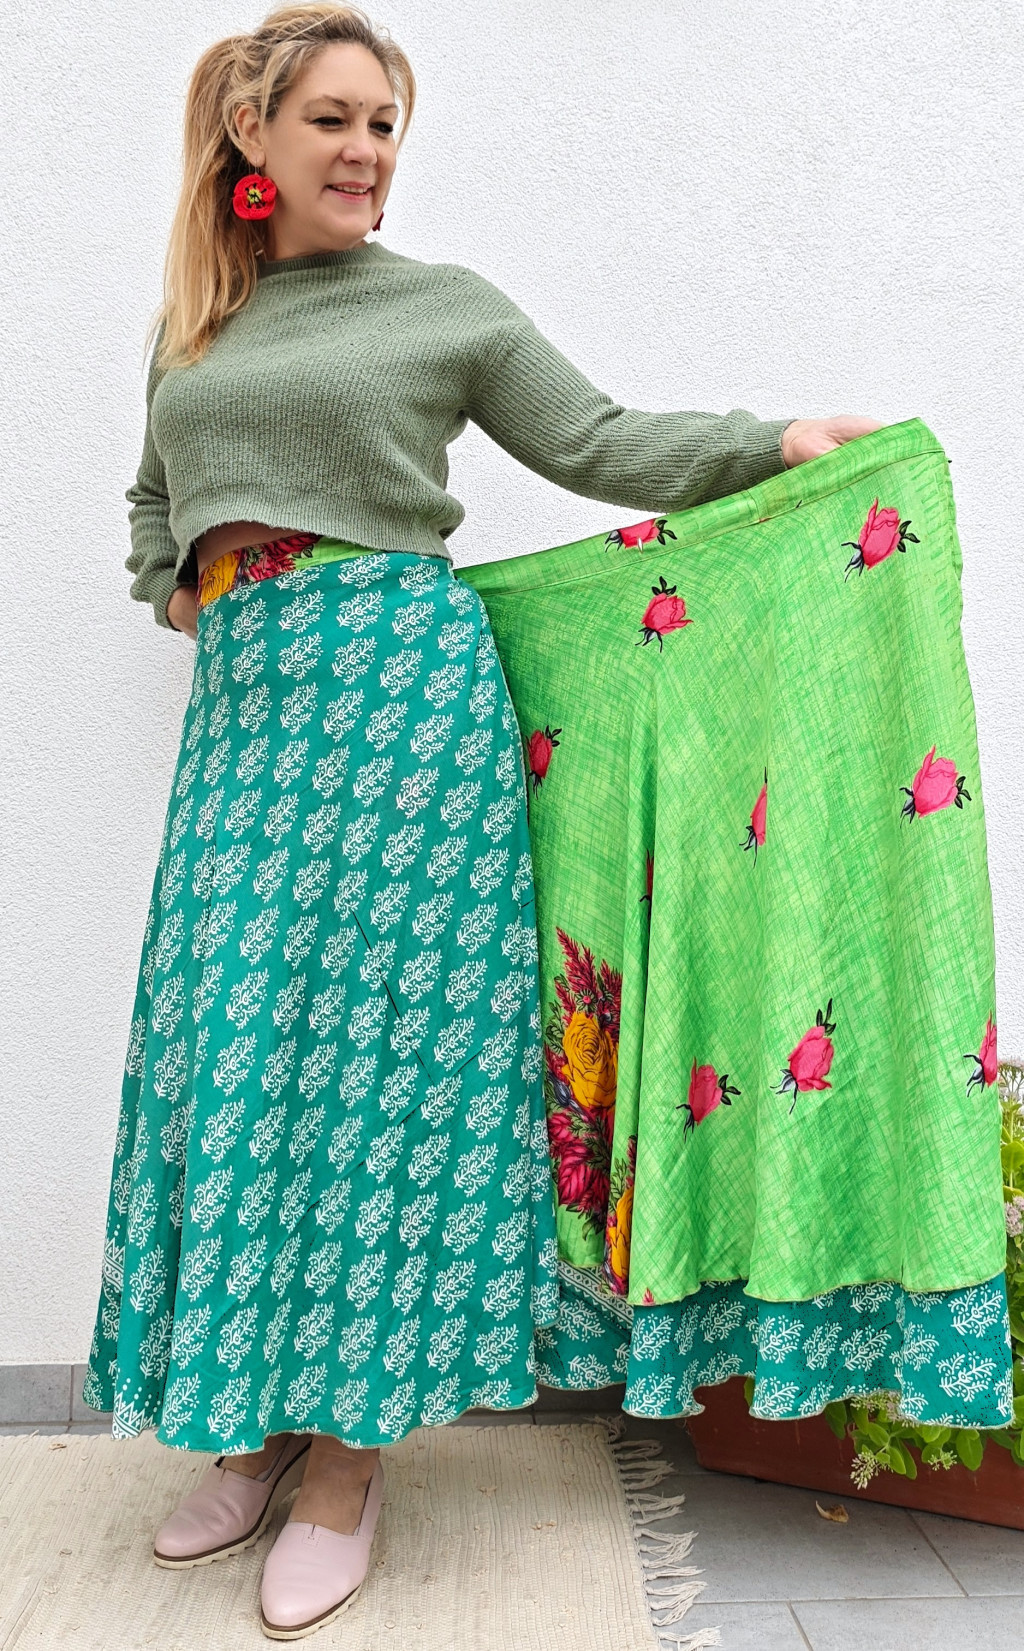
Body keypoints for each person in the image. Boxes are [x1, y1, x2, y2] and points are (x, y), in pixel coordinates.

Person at [82, 2, 882, 1639]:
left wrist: (773, 441)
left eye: (385, 123)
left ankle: (344, 1468)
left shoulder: (443, 307)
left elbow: (597, 441)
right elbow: (155, 500)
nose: (367, 150)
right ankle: (248, 1425)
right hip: (247, 729)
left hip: (402, 713)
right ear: (252, 133)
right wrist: (180, 585)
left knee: (380, 1079)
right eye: (334, 118)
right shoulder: (196, 323)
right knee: (240, 1058)